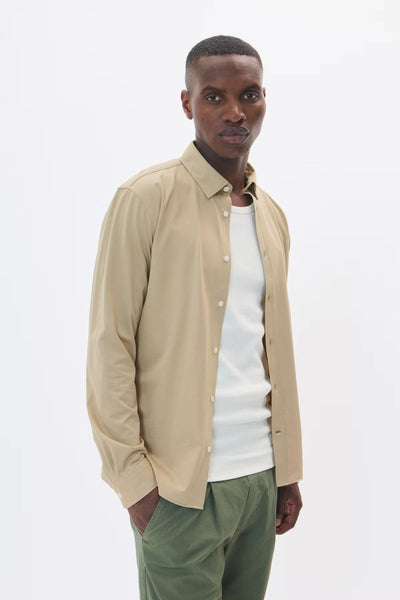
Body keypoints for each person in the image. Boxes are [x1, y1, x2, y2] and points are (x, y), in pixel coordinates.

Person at [86, 34, 303, 600]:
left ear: (264, 99)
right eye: (214, 96)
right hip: (179, 492)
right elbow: (111, 345)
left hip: (260, 483)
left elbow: (270, 350)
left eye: (249, 94)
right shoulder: (145, 198)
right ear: (187, 103)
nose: (235, 112)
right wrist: (135, 483)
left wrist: (286, 471)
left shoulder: (272, 217)